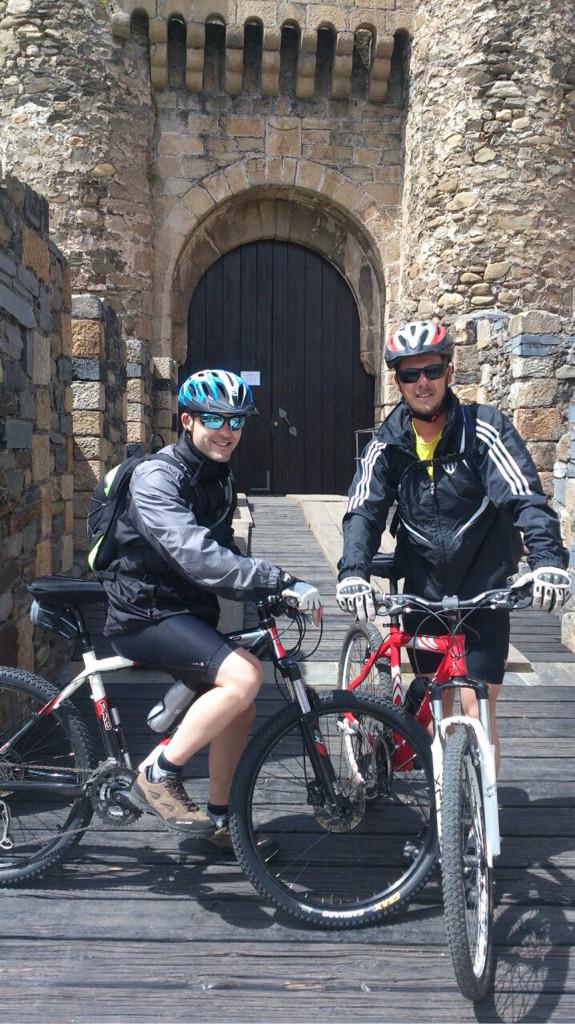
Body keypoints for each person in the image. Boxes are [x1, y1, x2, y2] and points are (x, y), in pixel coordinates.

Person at [336, 320, 571, 772]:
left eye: (431, 370)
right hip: (422, 590)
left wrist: (546, 561)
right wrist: (353, 573)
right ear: (398, 381)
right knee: (442, 710)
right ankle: (444, 821)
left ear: (448, 370)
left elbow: (525, 496)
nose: (422, 383)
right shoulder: (386, 444)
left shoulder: (484, 430)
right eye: (409, 374)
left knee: (476, 707)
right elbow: (363, 510)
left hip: (483, 588)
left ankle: (478, 825)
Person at [103, 368, 322, 848]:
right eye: (213, 418)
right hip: (143, 610)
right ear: (187, 419)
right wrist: (275, 578)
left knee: (239, 704)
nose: (227, 430)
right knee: (244, 678)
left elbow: (224, 551)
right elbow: (194, 553)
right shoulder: (156, 476)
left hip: (184, 610)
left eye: (237, 421)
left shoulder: (218, 479)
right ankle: (158, 773)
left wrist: (267, 592)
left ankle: (220, 823)